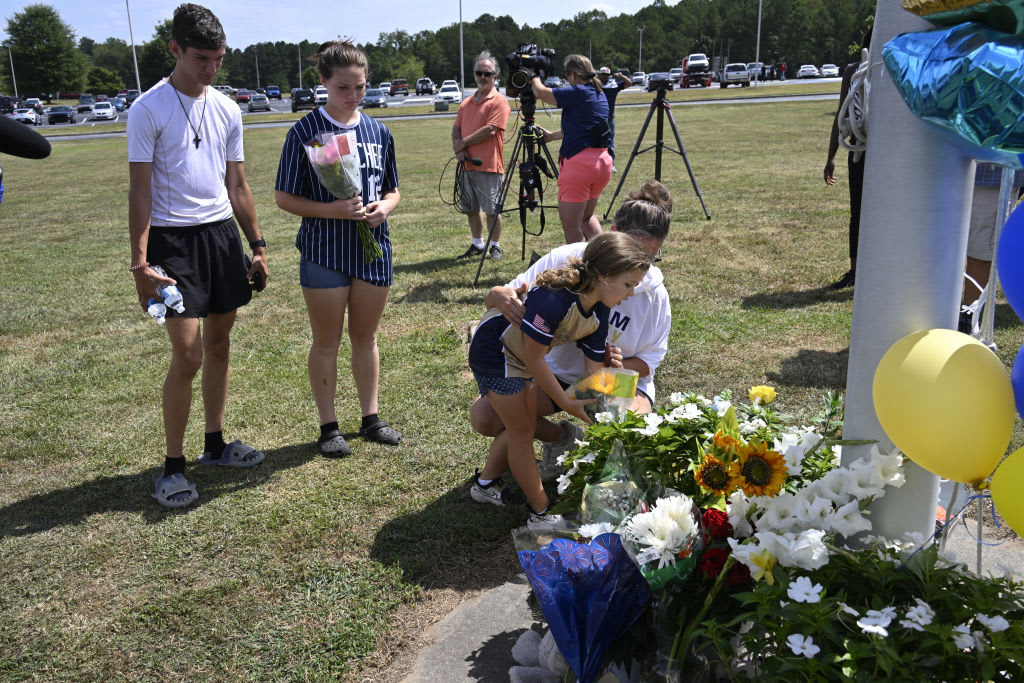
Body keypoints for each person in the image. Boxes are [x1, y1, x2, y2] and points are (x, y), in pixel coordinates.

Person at [127, 3, 269, 509]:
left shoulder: (228, 108)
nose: (211, 68)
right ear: (175, 50)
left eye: (218, 59)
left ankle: (214, 445)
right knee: (186, 354)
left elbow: (237, 184)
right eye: (201, 58)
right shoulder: (147, 109)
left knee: (220, 344)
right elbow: (140, 191)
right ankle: (171, 468)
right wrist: (140, 265)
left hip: (220, 238)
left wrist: (256, 245)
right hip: (172, 242)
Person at [471, 181, 673, 476]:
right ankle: (562, 440)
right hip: (554, 375)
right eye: (633, 253)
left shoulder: (655, 295)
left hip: (607, 378)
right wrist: (496, 295)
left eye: (650, 258)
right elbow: (507, 298)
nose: (640, 269)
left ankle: (606, 481)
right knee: (485, 417)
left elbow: (649, 362)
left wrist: (615, 365)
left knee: (631, 430)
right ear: (613, 235)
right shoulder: (566, 259)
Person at [467, 231, 653, 529]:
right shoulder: (555, 300)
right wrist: (567, 401)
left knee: (523, 424)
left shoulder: (600, 310)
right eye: (628, 284)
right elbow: (533, 358)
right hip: (495, 354)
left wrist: (613, 421)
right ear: (604, 277)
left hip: (522, 357)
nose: (630, 294)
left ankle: (485, 484)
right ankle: (541, 514)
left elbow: (595, 373)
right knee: (522, 432)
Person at [275, 40, 402, 457]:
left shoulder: (378, 131)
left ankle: (371, 418)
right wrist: (331, 209)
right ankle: (329, 427)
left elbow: (393, 190)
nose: (353, 96)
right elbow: (284, 198)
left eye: (360, 87)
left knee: (366, 338)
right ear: (324, 82)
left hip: (372, 250)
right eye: (344, 88)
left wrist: (383, 208)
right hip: (324, 252)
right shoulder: (305, 132)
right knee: (326, 342)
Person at [530, 54, 612, 243]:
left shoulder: (578, 92)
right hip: (602, 162)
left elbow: (541, 92)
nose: (567, 79)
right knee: (585, 218)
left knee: (572, 227)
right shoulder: (598, 93)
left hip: (579, 166)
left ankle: (580, 269)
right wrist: (552, 136)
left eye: (567, 75)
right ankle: (605, 260)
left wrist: (532, 74)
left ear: (574, 74)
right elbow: (585, 129)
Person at [452, 51, 511, 261]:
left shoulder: (499, 101)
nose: (483, 77)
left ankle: (495, 246)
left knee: (493, 210)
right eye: (479, 73)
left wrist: (464, 143)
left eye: (487, 73)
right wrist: (459, 150)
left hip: (489, 165)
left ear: (495, 76)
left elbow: (491, 129)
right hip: (467, 166)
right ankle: (477, 244)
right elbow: (456, 129)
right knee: (470, 208)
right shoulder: (466, 103)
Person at [824, 29, 871, 289]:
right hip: (858, 150)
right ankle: (854, 269)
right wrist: (831, 156)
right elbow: (842, 115)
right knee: (858, 212)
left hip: (884, 152)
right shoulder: (853, 71)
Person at [959, 163, 1024, 331]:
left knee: (981, 253)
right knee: (936, 250)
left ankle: (968, 317)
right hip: (944, 167)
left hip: (992, 173)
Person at [597, 66, 632, 165]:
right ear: (600, 75)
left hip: (610, 117)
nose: (604, 77)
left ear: (609, 76)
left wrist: (620, 75)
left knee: (610, 142)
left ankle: (611, 164)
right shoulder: (596, 86)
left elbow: (629, 83)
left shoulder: (614, 85)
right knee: (598, 142)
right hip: (598, 118)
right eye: (602, 75)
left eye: (606, 75)